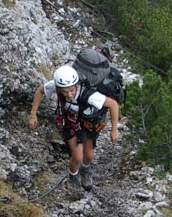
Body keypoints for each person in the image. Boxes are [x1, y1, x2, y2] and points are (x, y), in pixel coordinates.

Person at [28, 63, 120, 195]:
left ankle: (85, 169)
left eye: (72, 90)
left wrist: (114, 129)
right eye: (65, 92)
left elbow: (113, 104)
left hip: (89, 123)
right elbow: (40, 91)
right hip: (71, 123)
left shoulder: (89, 94)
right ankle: (73, 176)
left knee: (88, 155)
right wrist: (33, 115)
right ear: (59, 88)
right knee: (77, 156)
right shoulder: (56, 85)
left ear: (76, 85)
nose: (69, 95)